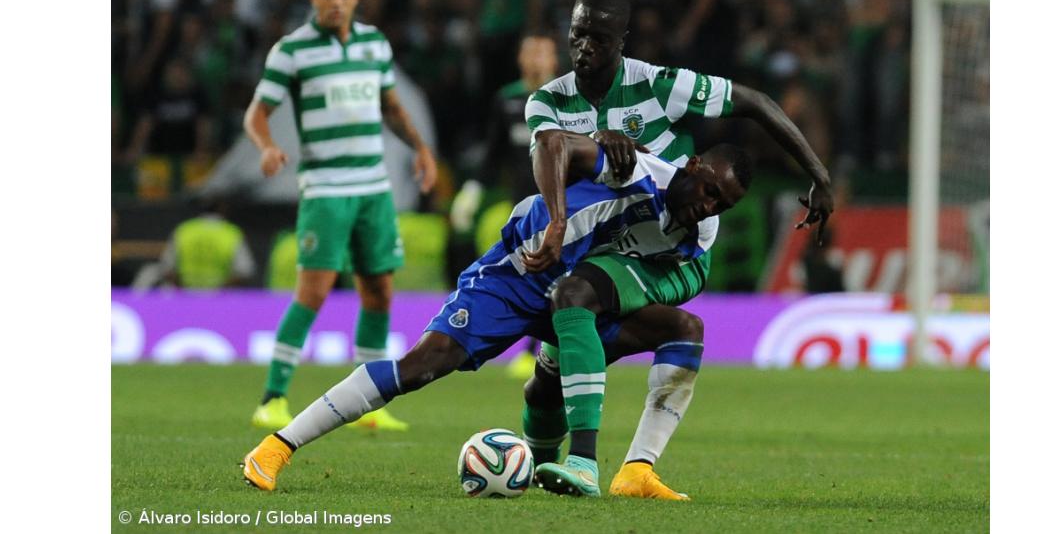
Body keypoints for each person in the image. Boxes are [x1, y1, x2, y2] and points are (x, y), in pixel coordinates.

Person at [241, 132, 752, 493]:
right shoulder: (632, 168)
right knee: (422, 365)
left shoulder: (699, 231)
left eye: (722, 204)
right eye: (710, 191)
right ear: (691, 166)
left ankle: (632, 470)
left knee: (683, 329)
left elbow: (687, 277)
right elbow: (551, 143)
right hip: (517, 273)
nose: (709, 206)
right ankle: (277, 447)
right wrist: (563, 208)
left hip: (579, 292)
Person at [521, 0, 834, 498]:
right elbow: (549, 157)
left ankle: (586, 463)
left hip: (673, 251)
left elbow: (755, 102)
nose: (586, 46)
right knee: (556, 372)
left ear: (621, 40)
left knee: (574, 301)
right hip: (601, 241)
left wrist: (819, 175)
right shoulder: (550, 99)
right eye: (579, 34)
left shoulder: (660, 85)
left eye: (600, 37)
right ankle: (595, 470)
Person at [244, 0, 438, 432]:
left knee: (379, 291)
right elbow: (257, 112)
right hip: (325, 188)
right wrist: (266, 146)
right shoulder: (292, 50)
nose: (336, 1)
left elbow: (391, 107)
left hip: (373, 187)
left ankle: (367, 404)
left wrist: (420, 148)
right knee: (313, 291)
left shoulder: (374, 44)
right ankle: (272, 399)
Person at [450, 32, 560, 379]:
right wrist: (471, 191)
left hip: (563, 206)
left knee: (551, 277)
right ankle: (520, 346)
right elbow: (493, 153)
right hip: (523, 210)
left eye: (543, 53)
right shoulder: (508, 100)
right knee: (528, 278)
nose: (536, 60)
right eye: (531, 53)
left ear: (554, 60)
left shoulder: (569, 98)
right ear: (520, 59)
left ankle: (534, 351)